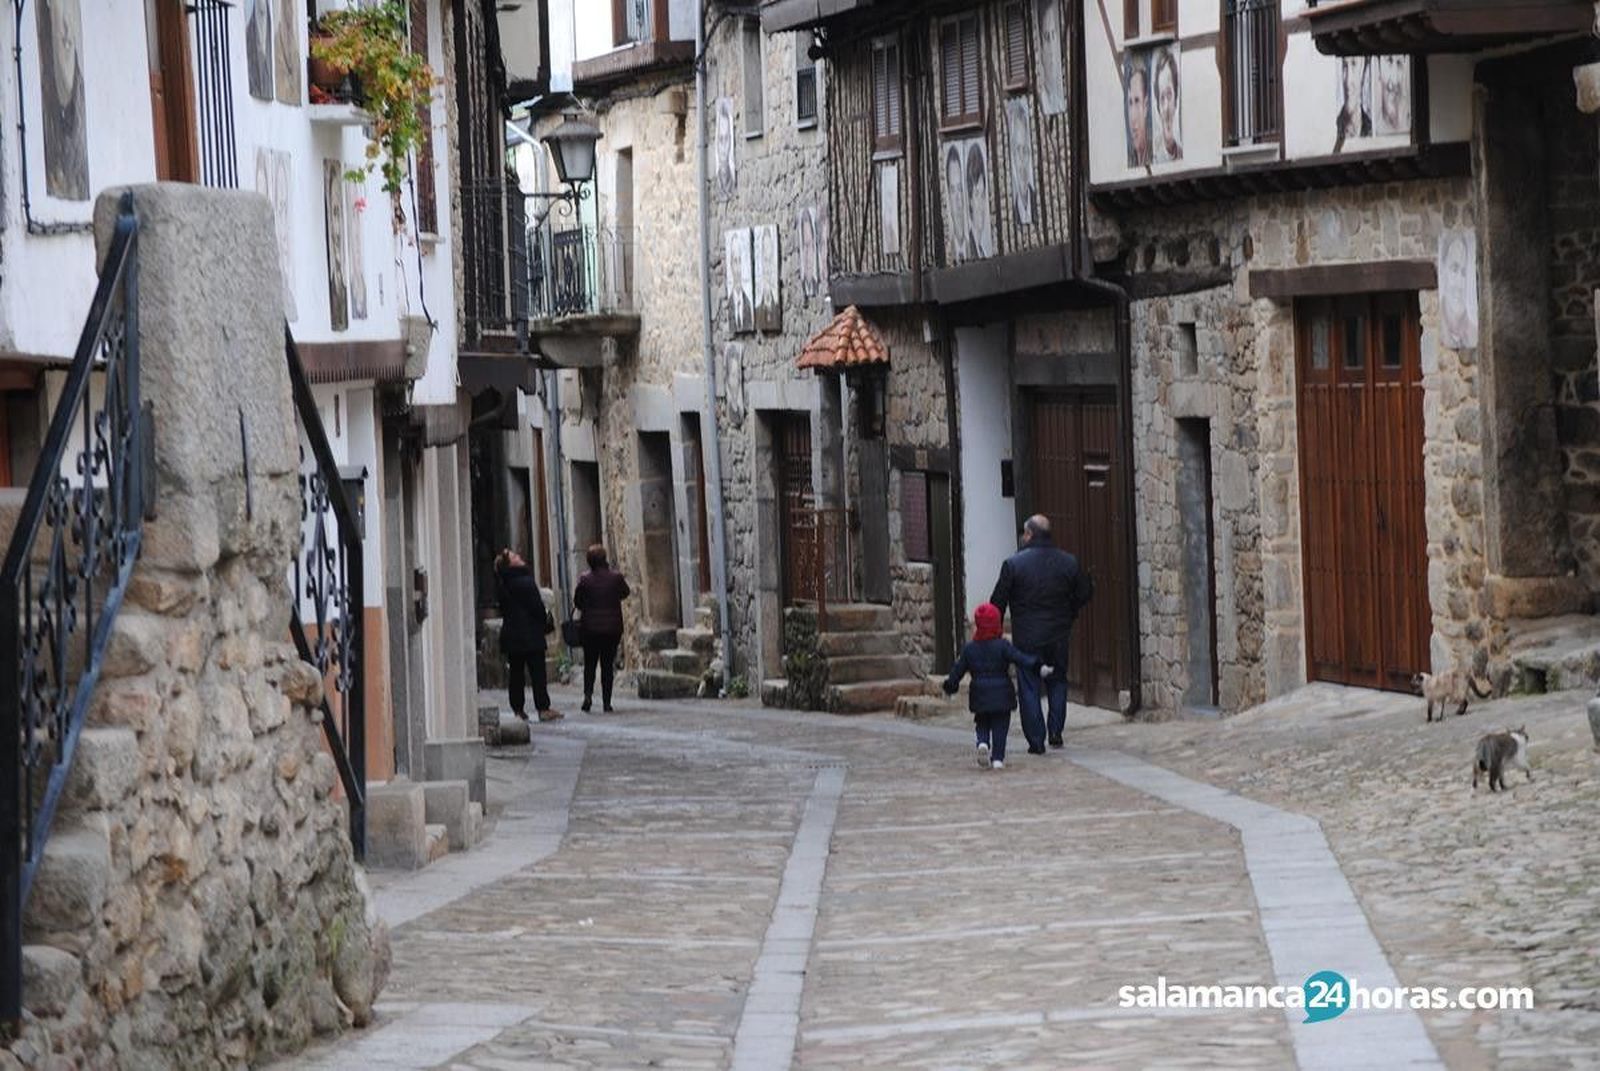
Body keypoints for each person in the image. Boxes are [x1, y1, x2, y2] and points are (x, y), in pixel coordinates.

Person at [990, 514, 1094, 754]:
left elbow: (997, 602)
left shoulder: (1013, 564)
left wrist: (993, 633)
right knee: (1057, 679)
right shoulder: (1069, 562)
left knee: (1029, 684)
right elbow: (1085, 592)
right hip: (1058, 631)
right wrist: (1070, 613)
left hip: (1027, 634)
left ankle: (1036, 740)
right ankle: (1055, 731)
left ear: (1029, 535)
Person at [942, 603, 1053, 771]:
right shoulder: (1003, 646)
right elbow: (1020, 658)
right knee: (1000, 725)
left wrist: (950, 686)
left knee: (982, 721)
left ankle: (983, 742)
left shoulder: (970, 649)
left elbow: (958, 670)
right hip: (1002, 692)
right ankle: (998, 758)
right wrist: (1038, 667)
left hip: (979, 693)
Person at [495, 549, 561, 723]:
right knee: (538, 672)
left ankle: (518, 709)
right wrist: (544, 621)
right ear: (510, 564)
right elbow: (537, 608)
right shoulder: (525, 581)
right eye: (514, 556)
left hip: (512, 635)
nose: (519, 556)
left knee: (516, 674)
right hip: (531, 634)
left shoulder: (503, 584)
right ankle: (543, 708)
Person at [574, 543, 630, 712]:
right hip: (611, 629)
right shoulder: (616, 578)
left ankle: (588, 695)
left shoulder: (585, 579)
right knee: (607, 665)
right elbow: (625, 593)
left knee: (590, 664)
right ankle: (607, 702)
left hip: (590, 629)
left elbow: (577, 602)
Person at [1154, 48, 1181, 163]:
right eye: (1162, 98)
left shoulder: (1181, 151)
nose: (1166, 108)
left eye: (1169, 96)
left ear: (1176, 101)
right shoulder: (1155, 156)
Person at [1125, 57, 1152, 168]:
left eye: (1137, 101)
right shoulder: (1133, 158)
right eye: (1130, 103)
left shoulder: (1151, 153)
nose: (1133, 116)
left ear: (1145, 106)